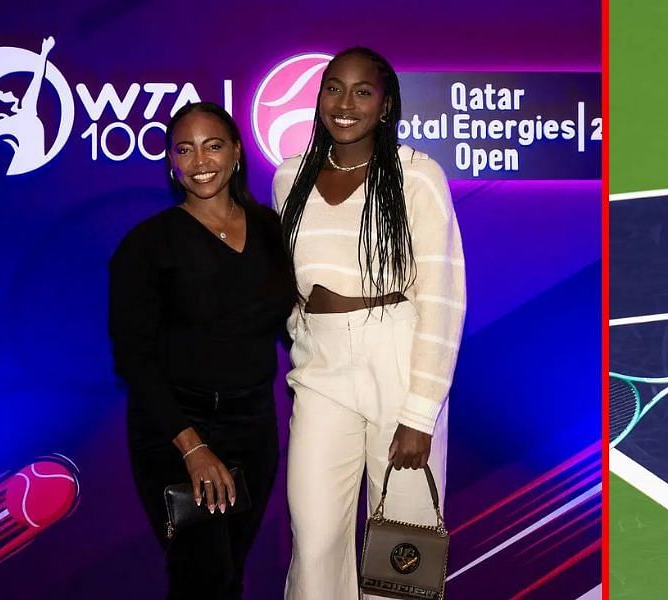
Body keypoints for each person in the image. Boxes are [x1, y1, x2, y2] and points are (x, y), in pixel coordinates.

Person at [273, 47, 465, 599]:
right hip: (322, 370)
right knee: (313, 538)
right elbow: (291, 287)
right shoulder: (290, 178)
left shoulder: (417, 176)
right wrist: (307, 345)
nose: (346, 103)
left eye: (363, 91)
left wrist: (420, 411)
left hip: (399, 359)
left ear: (385, 105)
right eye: (333, 88)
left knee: (402, 544)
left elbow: (443, 297)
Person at [109, 102, 294, 599]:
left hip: (253, 427)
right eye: (184, 149)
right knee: (202, 577)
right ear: (171, 161)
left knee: (229, 574)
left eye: (213, 145)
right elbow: (133, 357)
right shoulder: (147, 244)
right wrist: (192, 448)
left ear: (236, 152)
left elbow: (298, 319)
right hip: (175, 430)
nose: (199, 160)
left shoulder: (274, 232)